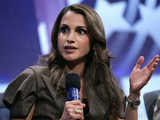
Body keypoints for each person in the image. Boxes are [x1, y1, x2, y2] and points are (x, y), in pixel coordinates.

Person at [2, 4, 160, 120]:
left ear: (93, 40)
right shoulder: (35, 78)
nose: (69, 38)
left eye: (80, 31)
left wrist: (134, 94)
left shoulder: (105, 84)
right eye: (64, 30)